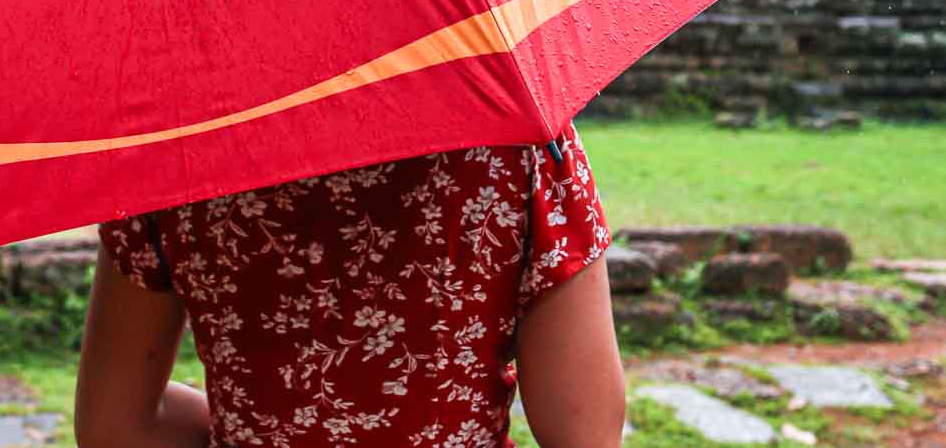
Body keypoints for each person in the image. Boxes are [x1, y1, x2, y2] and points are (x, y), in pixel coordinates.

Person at [74, 126, 625, 447]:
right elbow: (586, 432)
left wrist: (255, 423)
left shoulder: (173, 147)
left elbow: (115, 424)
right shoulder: (520, 137)